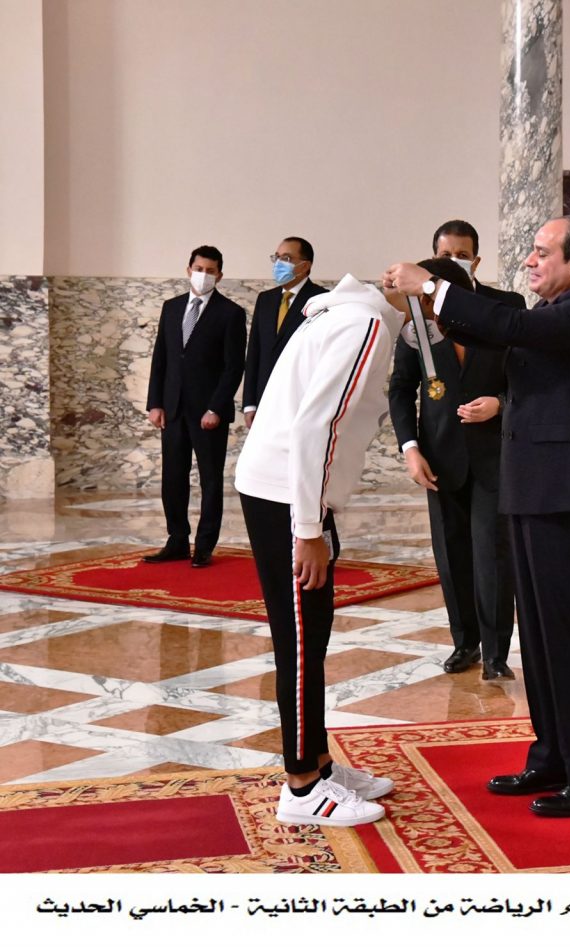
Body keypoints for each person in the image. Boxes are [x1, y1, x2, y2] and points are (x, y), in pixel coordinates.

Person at [384, 214, 570, 818]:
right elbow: (497, 332)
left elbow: (508, 324)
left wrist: (431, 286)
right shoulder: (554, 310)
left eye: (542, 252)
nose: (529, 261)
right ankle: (552, 756)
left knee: (567, 635)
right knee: (539, 637)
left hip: (569, 495)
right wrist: (430, 307)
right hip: (534, 490)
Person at [235, 274, 402, 827]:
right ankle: (302, 786)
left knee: (314, 631)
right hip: (287, 494)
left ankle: (320, 763)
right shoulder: (367, 323)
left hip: (289, 489)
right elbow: (318, 424)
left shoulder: (346, 313)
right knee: (302, 640)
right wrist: (307, 528)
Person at [389, 256, 515, 680]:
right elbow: (401, 390)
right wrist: (410, 449)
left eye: (426, 299)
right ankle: (466, 642)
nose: (423, 311)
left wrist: (500, 404)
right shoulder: (417, 330)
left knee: (492, 555)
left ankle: (496, 653)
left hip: (494, 457)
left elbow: (527, 383)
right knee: (451, 553)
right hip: (439, 459)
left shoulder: (498, 320)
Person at [144, 245, 246, 568]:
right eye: (199, 269)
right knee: (173, 478)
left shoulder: (231, 313)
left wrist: (216, 407)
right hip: (172, 409)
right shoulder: (171, 307)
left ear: (219, 275)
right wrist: (155, 403)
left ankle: (204, 545)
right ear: (189, 270)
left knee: (210, 480)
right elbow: (161, 358)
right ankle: (176, 540)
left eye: (210, 271)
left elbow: (234, 367)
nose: (204, 275)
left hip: (208, 414)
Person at [242, 237, 327, 428]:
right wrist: (249, 403)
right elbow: (255, 351)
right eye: (277, 257)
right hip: (264, 399)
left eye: (286, 258)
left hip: (300, 401)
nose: (279, 264)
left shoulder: (322, 299)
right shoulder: (265, 299)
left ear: (305, 265)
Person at [431, 218, 527, 309]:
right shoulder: (424, 303)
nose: (453, 263)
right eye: (446, 255)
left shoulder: (509, 304)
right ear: (434, 262)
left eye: (462, 255)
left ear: (475, 263)